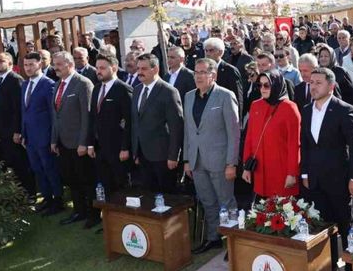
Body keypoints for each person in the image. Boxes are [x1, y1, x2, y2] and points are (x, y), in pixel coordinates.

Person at [300, 67, 353, 271]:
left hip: (340, 180)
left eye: (318, 82)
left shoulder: (344, 110)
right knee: (322, 225)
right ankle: (330, 266)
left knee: (346, 226)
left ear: (331, 86)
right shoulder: (306, 110)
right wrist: (305, 173)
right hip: (314, 181)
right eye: (311, 82)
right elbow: (305, 145)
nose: (313, 86)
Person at [184, 58, 240, 255]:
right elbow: (188, 131)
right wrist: (187, 160)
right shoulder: (189, 97)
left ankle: (234, 243)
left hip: (220, 161)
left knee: (226, 201)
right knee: (208, 201)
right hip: (197, 161)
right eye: (196, 72)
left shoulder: (225, 96)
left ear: (213, 75)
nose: (198, 76)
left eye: (202, 72)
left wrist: (231, 163)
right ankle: (213, 237)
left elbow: (234, 132)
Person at [50, 51, 97, 228]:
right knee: (71, 179)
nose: (55, 68)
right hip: (63, 143)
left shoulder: (83, 84)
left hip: (79, 144)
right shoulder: (57, 85)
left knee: (87, 180)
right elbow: (56, 116)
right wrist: (54, 140)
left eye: (59, 64)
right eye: (54, 64)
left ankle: (93, 214)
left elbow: (87, 116)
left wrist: (84, 142)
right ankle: (79, 211)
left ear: (70, 65)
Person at [242, 70, 301, 197]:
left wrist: (292, 173)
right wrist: (246, 166)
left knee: (283, 213)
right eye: (260, 85)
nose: (262, 89)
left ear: (276, 85)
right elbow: (249, 137)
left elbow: (294, 144)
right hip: (260, 170)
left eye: (267, 85)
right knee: (262, 212)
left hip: (281, 170)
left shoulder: (290, 108)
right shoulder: (255, 105)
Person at [131, 53, 184, 193]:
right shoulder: (136, 91)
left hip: (163, 156)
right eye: (138, 69)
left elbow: (176, 127)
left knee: (167, 196)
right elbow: (136, 123)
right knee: (148, 196)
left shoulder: (168, 91)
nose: (139, 72)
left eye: (144, 69)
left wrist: (173, 156)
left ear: (155, 69)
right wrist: (136, 152)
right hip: (143, 155)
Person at [20, 52, 64, 215]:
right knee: (37, 169)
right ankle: (47, 198)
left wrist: (53, 138)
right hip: (30, 137)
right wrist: (24, 134)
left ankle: (58, 200)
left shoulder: (48, 84)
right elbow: (24, 112)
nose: (28, 68)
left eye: (31, 64)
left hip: (45, 136)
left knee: (50, 168)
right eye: (25, 65)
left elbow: (54, 114)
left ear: (39, 64)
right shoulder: (25, 85)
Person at [88, 54, 133, 199]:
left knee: (121, 186)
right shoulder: (96, 89)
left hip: (118, 148)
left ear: (113, 68)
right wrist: (90, 144)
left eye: (102, 68)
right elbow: (92, 118)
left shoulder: (123, 89)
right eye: (97, 68)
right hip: (100, 148)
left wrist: (125, 148)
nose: (98, 71)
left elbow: (130, 121)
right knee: (105, 184)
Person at [0, 52, 35, 198]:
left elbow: (19, 108)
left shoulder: (15, 80)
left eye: (1, 61)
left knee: (21, 164)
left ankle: (30, 195)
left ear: (10, 64)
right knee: (11, 164)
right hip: (3, 131)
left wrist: (17, 131)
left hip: (13, 132)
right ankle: (18, 195)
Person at [203, 37, 243, 106]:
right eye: (206, 50)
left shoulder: (230, 71)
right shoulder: (203, 70)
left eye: (211, 50)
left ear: (220, 52)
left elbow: (237, 98)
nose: (207, 54)